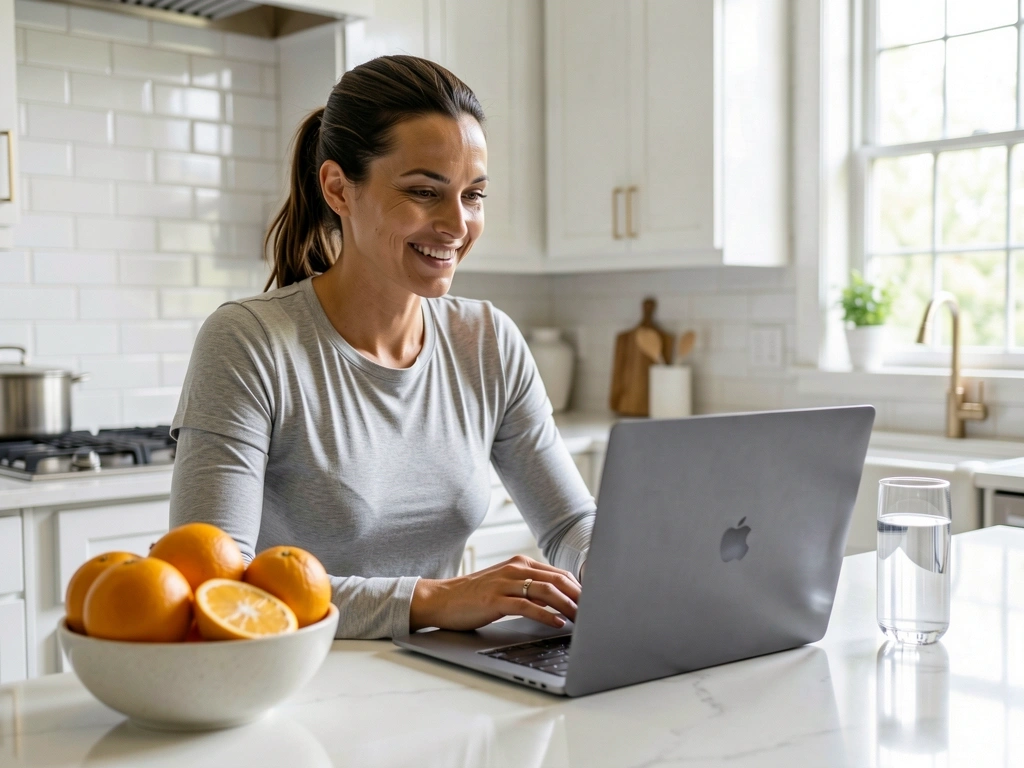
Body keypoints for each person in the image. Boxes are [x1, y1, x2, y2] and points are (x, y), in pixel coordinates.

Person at [168, 55, 596, 639]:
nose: (457, 224)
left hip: (445, 679)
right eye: (425, 191)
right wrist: (435, 600)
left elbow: (571, 522)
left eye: (473, 196)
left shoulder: (488, 341)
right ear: (339, 189)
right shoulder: (250, 344)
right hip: (297, 690)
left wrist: (611, 569)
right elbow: (217, 588)